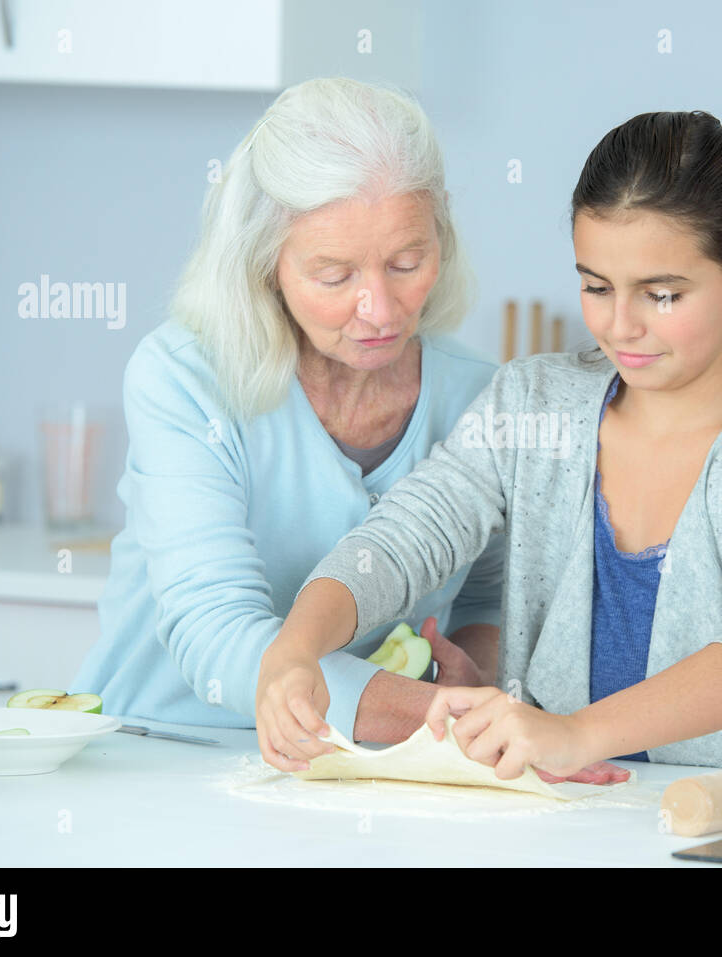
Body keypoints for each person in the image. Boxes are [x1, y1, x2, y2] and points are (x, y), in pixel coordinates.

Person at [255, 111, 722, 781]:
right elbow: (404, 536)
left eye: (662, 294)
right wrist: (296, 648)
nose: (619, 323)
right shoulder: (530, 402)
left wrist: (575, 733)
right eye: (596, 287)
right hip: (563, 816)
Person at [72, 78, 507, 745]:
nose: (382, 310)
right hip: (156, 753)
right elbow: (216, 632)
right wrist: (440, 715)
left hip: (370, 775)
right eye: (335, 275)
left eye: (407, 261)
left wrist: (473, 674)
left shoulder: (477, 396)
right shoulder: (185, 380)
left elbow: (487, 602)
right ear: (264, 263)